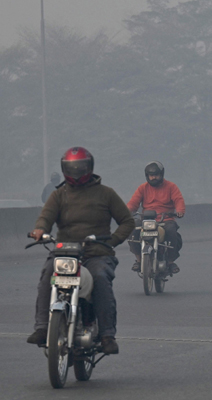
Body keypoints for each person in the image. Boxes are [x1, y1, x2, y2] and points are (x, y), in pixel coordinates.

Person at [27, 147, 135, 355]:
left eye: (80, 167)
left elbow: (126, 222)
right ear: (64, 169)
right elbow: (46, 217)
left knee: (101, 279)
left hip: (97, 253)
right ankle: (42, 328)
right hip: (64, 252)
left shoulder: (106, 194)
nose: (76, 172)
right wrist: (40, 231)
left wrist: (111, 242)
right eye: (71, 168)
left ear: (90, 167)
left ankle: (106, 335)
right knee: (47, 276)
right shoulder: (59, 194)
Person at [126, 161, 185, 274]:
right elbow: (133, 203)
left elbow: (178, 200)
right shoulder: (142, 188)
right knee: (133, 229)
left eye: (156, 175)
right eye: (151, 175)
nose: (153, 177)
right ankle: (138, 260)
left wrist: (180, 211)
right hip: (146, 220)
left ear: (161, 174)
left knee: (171, 231)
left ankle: (170, 262)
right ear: (147, 176)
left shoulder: (171, 186)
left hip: (165, 219)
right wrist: (126, 211)